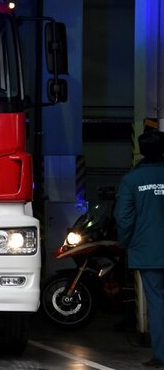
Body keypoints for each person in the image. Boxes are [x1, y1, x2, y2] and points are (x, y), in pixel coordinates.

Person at [115, 128, 164, 368]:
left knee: (157, 303)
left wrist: (125, 243)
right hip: (149, 249)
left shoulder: (132, 180)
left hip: (148, 250)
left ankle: (161, 355)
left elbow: (123, 218)